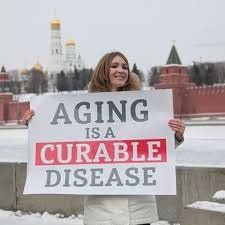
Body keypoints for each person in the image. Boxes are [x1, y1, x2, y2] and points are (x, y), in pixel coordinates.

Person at [23, 51, 185, 225]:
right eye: (114, 66)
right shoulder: (84, 109)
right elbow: (66, 142)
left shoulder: (143, 106)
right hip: (101, 210)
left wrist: (174, 136)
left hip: (138, 207)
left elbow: (151, 148)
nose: (121, 70)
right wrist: (36, 124)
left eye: (125, 67)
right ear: (103, 71)